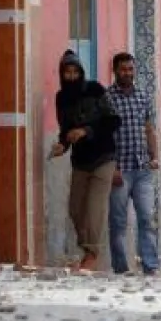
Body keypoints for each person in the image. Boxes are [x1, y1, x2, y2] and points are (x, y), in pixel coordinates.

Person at [48, 52, 120, 272]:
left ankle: (92, 252)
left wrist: (86, 131)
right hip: (80, 161)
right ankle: (86, 248)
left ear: (81, 72)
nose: (71, 76)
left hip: (103, 157)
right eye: (67, 72)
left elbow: (113, 120)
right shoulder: (61, 97)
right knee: (75, 209)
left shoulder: (95, 89)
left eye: (75, 72)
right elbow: (65, 130)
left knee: (95, 209)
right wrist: (63, 145)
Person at [106, 52, 161, 275]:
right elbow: (104, 136)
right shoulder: (108, 98)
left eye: (130, 69)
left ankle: (150, 266)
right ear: (115, 71)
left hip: (142, 170)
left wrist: (154, 156)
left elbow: (149, 128)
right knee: (118, 222)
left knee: (147, 218)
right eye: (123, 69)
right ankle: (120, 268)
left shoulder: (142, 96)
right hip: (120, 170)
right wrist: (112, 167)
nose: (127, 73)